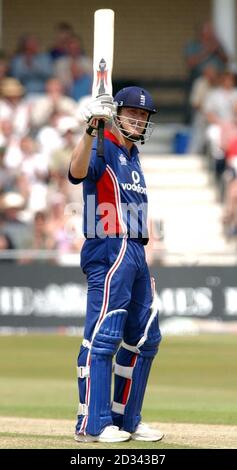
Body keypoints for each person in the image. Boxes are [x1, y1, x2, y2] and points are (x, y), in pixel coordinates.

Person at [68, 86, 163, 443]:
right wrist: (91, 127)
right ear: (117, 113)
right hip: (108, 246)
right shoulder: (102, 144)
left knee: (145, 337)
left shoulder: (133, 155)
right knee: (104, 335)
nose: (139, 120)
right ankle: (93, 424)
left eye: (144, 116)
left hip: (135, 250)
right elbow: (76, 173)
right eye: (133, 114)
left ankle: (127, 420)